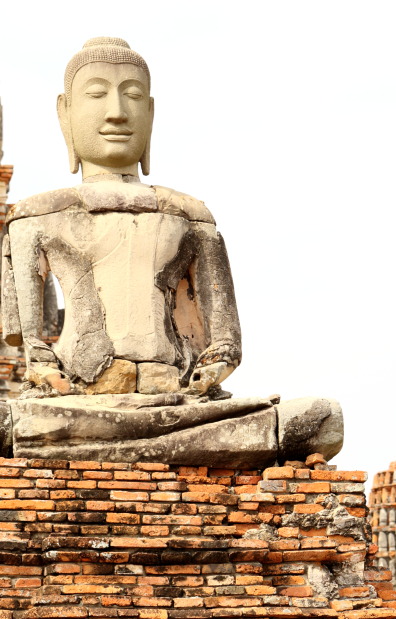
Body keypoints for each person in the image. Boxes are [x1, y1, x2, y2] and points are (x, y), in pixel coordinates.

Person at [0, 37, 341, 466]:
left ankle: (118, 444)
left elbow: (224, 344)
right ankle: (129, 442)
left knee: (321, 418)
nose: (117, 112)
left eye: (132, 96)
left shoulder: (191, 216)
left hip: (178, 405)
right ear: (65, 114)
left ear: (151, 112)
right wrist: (54, 379)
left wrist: (208, 375)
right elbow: (31, 344)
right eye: (97, 94)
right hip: (75, 407)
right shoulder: (34, 218)